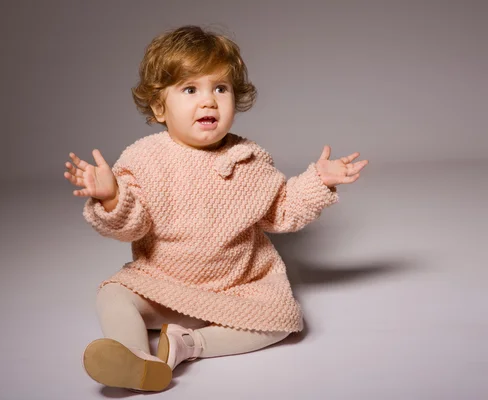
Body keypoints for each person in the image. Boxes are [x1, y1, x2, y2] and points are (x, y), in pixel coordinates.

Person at [64, 25, 368, 392]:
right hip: (164, 283)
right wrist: (112, 197)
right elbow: (134, 226)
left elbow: (282, 210)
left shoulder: (248, 159)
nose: (208, 101)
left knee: (283, 320)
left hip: (239, 284)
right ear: (160, 107)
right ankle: (134, 357)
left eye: (220, 89)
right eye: (190, 89)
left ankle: (186, 345)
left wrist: (319, 181)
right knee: (112, 294)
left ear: (235, 100)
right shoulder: (144, 158)